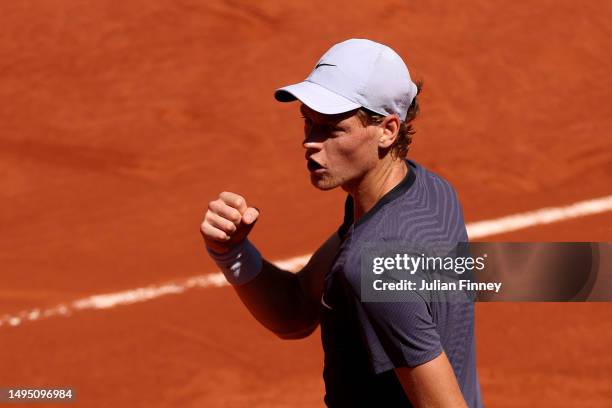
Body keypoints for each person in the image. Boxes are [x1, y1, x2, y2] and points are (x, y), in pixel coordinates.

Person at [201, 38, 483, 407]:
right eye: (308, 122)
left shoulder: (373, 265)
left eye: (333, 129)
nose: (310, 143)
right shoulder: (429, 190)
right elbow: (297, 308)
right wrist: (231, 252)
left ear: (388, 130)